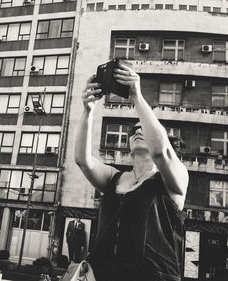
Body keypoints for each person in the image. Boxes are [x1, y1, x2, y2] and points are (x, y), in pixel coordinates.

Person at [75, 63, 189, 281]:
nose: (138, 131)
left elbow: (160, 152)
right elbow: (82, 160)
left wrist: (137, 96)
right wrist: (88, 111)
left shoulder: (174, 178)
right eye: (134, 130)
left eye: (143, 129)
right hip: (104, 274)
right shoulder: (114, 177)